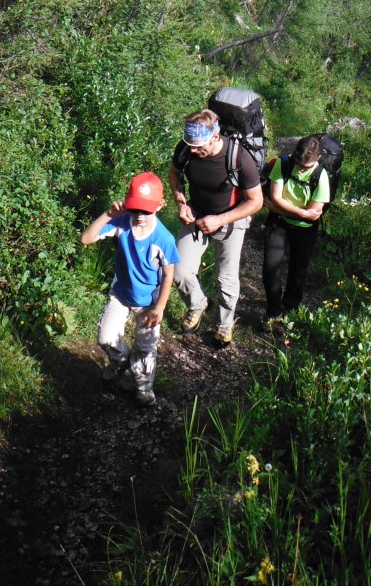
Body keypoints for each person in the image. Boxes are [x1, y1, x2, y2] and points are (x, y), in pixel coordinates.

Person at [80, 172, 179, 407]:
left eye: (146, 210)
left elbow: (168, 275)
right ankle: (120, 360)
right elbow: (86, 238)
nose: (140, 216)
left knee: (145, 348)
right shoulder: (122, 223)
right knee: (105, 337)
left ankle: (144, 388)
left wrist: (160, 308)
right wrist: (108, 214)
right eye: (135, 209)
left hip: (149, 303)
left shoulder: (163, 238)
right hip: (120, 295)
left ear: (160, 206)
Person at [168, 109, 263, 346]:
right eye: (190, 144)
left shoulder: (239, 158)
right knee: (179, 271)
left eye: (198, 145)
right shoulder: (185, 150)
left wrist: (220, 220)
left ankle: (225, 324)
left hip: (231, 219)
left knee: (226, 278)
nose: (192, 150)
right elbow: (174, 174)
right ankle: (198, 304)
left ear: (215, 137)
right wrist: (181, 204)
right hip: (196, 214)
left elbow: (256, 202)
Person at [262, 135, 330, 326]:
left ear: (317, 158)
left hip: (305, 230)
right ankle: (274, 311)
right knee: (270, 268)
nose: (300, 169)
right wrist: (301, 212)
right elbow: (276, 198)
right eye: (298, 164)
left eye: (305, 167)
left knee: (298, 271)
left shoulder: (322, 177)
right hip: (279, 223)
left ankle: (290, 308)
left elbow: (314, 213)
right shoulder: (283, 164)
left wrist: (280, 208)